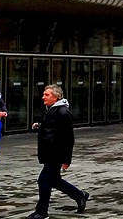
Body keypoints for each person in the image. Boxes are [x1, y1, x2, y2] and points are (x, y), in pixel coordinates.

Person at [30, 84, 89, 218]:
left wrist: (66, 160)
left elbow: (68, 138)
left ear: (56, 97)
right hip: (49, 153)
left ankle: (42, 212)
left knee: (43, 181)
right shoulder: (51, 109)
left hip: (55, 154)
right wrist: (40, 126)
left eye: (47, 95)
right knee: (54, 181)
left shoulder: (63, 112)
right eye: (43, 94)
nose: (43, 97)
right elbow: (52, 127)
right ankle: (80, 195)